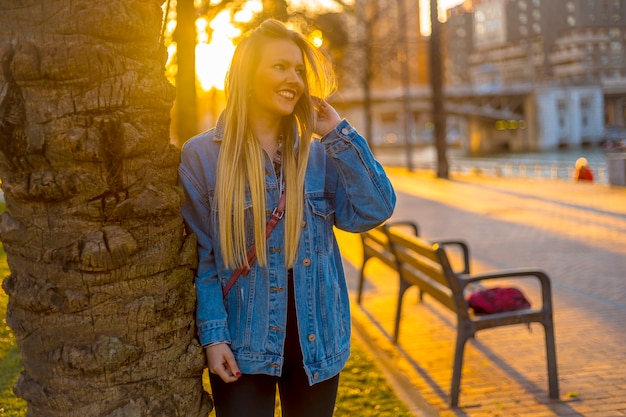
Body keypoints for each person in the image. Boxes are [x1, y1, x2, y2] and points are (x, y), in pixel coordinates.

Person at [178, 19, 396, 417]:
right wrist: (213, 337)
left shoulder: (318, 153)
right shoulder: (202, 157)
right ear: (247, 75)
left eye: (298, 70)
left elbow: (374, 209)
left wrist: (337, 134)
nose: (294, 79)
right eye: (279, 67)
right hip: (243, 344)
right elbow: (202, 258)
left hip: (318, 344)